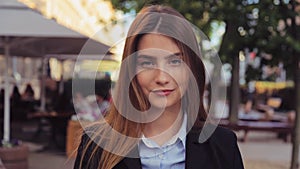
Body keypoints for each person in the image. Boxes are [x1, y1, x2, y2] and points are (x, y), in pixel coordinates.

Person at [74, 5, 244, 169]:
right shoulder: (96, 144)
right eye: (147, 62)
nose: (162, 78)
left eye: (175, 61)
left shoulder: (223, 146)